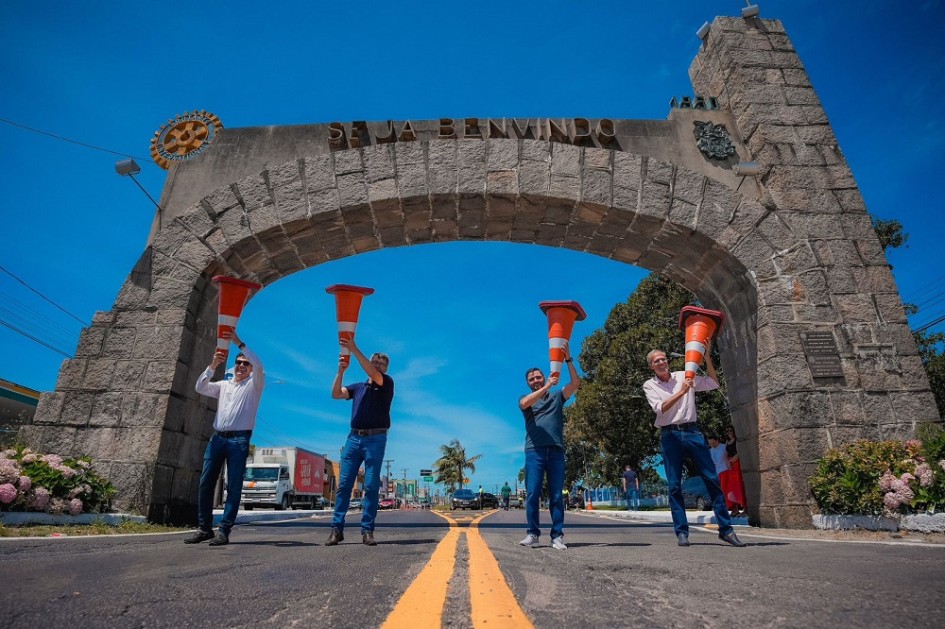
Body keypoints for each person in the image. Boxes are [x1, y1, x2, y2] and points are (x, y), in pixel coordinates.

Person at [642, 345, 745, 548]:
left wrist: (706, 359)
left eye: (663, 359)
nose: (662, 362)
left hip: (693, 432)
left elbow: (714, 383)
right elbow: (660, 408)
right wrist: (683, 391)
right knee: (674, 486)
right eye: (657, 361)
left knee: (712, 479)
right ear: (651, 367)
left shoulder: (684, 375)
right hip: (670, 435)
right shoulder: (649, 385)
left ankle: (726, 530)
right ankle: (682, 532)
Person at [185, 330, 265, 547]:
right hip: (217, 439)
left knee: (235, 486)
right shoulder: (224, 385)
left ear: (249, 370)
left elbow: (258, 365)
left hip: (239, 441)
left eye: (244, 364)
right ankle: (204, 528)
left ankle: (224, 530)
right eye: (238, 362)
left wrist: (239, 343)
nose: (241, 366)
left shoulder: (254, 386)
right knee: (206, 483)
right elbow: (200, 387)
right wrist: (212, 366)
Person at [326, 338, 394, 547]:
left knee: (372, 486)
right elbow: (336, 394)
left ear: (385, 368)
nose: (376, 366)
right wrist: (341, 371)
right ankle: (337, 529)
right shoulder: (357, 387)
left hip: (376, 439)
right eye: (374, 362)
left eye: (381, 364)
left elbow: (375, 375)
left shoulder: (386, 382)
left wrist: (353, 348)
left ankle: (367, 531)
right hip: (354, 438)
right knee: (344, 485)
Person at [518, 342, 581, 550]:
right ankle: (533, 534)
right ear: (529, 383)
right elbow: (524, 404)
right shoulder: (527, 399)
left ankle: (557, 536)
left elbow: (575, 383)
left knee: (556, 495)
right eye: (532, 379)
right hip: (534, 452)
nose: (536, 380)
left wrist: (569, 359)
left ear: (544, 376)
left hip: (555, 450)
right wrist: (548, 386)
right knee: (533, 494)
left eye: (538, 377)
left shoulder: (557, 398)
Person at [724, 425, 748, 516]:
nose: (729, 432)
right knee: (732, 488)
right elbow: (726, 454)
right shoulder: (727, 442)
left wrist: (730, 462)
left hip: (736, 464)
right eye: (727, 431)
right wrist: (728, 463)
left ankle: (745, 508)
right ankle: (735, 509)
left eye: (730, 430)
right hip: (731, 466)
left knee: (740, 486)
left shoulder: (737, 441)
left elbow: (738, 454)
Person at [707, 435, 732, 510]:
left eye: (713, 443)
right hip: (718, 473)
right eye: (710, 444)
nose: (712, 445)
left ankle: (731, 506)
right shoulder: (710, 451)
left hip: (726, 470)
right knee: (722, 491)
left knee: (728, 490)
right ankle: (726, 507)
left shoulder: (724, 447)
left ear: (717, 440)